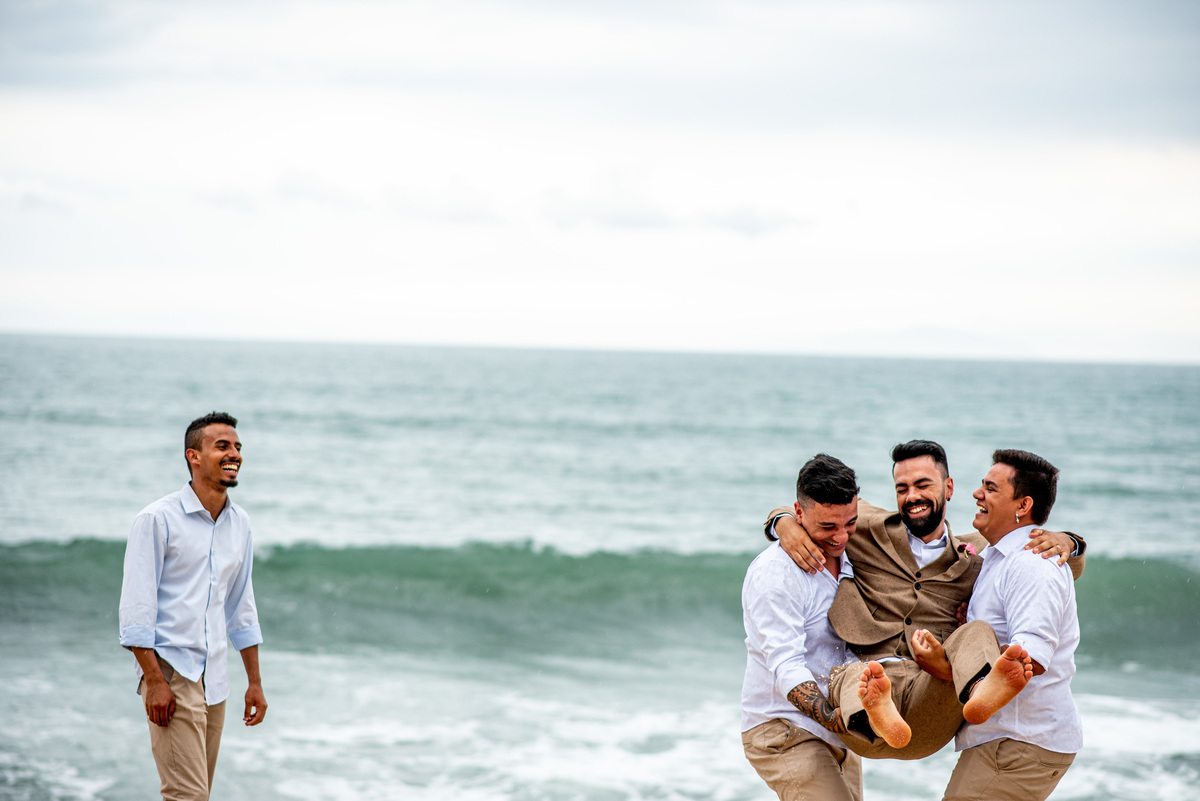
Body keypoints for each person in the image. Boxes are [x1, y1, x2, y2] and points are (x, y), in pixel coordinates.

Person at [764, 441, 1084, 760]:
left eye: (922, 485)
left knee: (977, 631)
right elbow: (811, 506)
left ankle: (983, 690)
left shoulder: (980, 551)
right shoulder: (867, 527)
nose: (911, 496)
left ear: (948, 487)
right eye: (901, 488)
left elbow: (1064, 563)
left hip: (930, 703)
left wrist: (1068, 541)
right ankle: (876, 714)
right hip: (866, 700)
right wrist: (783, 524)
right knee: (851, 673)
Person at [119, 412, 267, 801]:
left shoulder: (241, 524)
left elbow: (241, 607)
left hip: (215, 679)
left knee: (197, 794)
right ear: (193, 456)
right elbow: (136, 611)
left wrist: (254, 682)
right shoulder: (156, 519)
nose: (233, 453)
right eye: (222, 446)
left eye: (237, 447)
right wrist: (154, 682)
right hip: (171, 672)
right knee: (188, 796)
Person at [928, 449, 1082, 800]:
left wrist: (953, 666)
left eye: (990, 488)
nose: (977, 494)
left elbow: (1030, 656)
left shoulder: (1032, 564)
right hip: (1011, 737)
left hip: (1020, 740)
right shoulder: (998, 557)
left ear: (1022, 505)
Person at [741, 454, 864, 801]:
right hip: (784, 728)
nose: (841, 537)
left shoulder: (854, 547)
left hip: (838, 733)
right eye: (828, 527)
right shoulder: (776, 574)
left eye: (850, 522)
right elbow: (786, 667)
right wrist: (837, 718)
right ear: (799, 512)